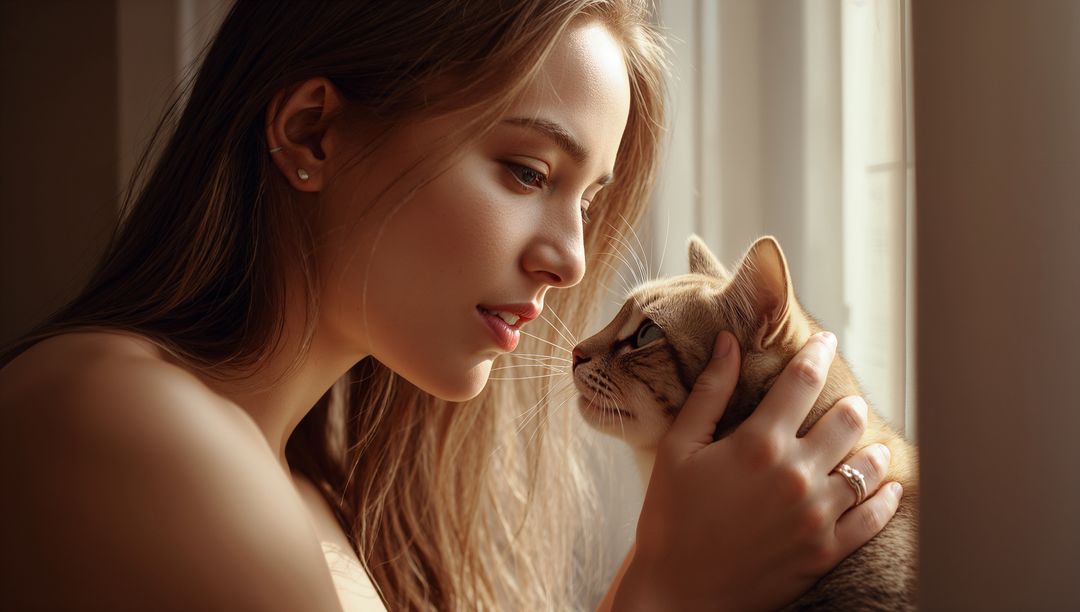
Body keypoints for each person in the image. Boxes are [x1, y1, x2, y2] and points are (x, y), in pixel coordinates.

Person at [0, 1, 902, 610]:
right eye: (527, 172)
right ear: (313, 132)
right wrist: (668, 591)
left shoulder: (322, 485)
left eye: (588, 203)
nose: (571, 260)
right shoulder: (118, 421)